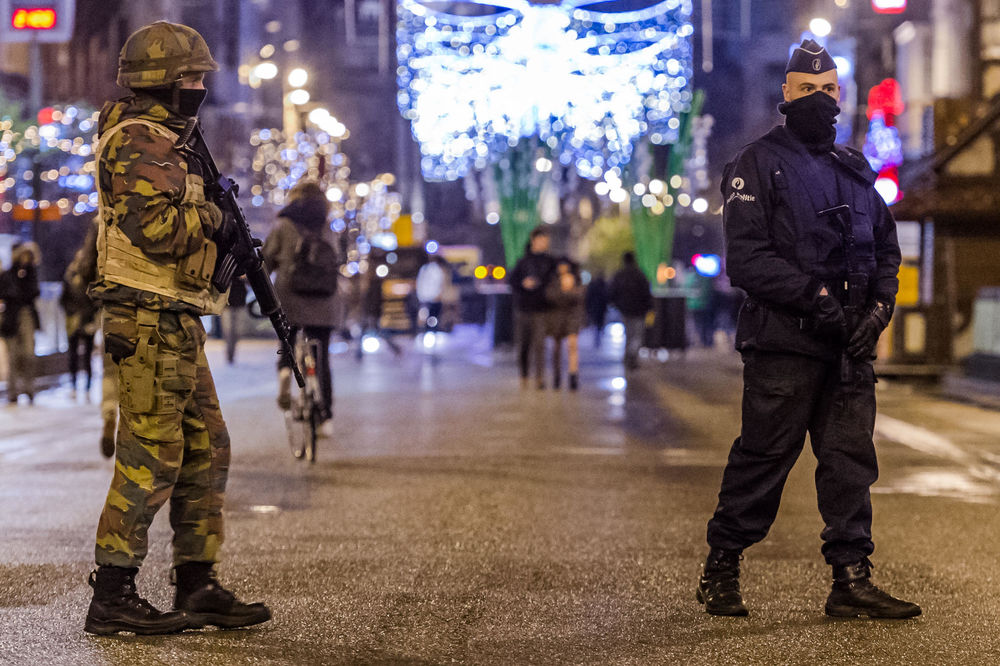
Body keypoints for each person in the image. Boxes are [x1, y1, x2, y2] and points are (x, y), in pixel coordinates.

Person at [697, 39, 919, 620]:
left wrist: (879, 310)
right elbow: (747, 260)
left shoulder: (854, 170)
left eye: (826, 90)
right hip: (784, 342)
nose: (818, 98)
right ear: (786, 94)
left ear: (840, 94)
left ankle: (851, 580)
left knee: (850, 463)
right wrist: (816, 299)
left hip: (849, 345)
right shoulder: (757, 164)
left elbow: (887, 251)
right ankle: (722, 568)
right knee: (764, 457)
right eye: (805, 90)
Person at [85, 21, 270, 635]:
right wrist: (216, 221)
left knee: (206, 447)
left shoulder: (170, 138)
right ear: (161, 80)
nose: (198, 87)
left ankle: (197, 582)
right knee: (151, 455)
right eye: (190, 77)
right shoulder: (137, 138)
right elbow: (156, 228)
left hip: (173, 317)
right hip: (146, 318)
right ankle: (113, 593)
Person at [263, 180, 340, 437]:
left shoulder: (284, 224)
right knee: (322, 358)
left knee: (287, 340)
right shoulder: (327, 225)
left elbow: (266, 259)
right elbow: (337, 258)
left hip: (290, 296)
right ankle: (325, 418)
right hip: (325, 300)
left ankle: (286, 370)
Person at [509, 227, 555, 389]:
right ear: (534, 240)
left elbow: (553, 281)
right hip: (523, 307)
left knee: (540, 344)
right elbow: (512, 281)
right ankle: (524, 375)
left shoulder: (550, 262)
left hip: (542, 308)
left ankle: (540, 377)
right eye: (541, 239)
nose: (544, 243)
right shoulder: (523, 261)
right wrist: (523, 284)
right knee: (524, 344)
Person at [61, 222, 102, 399]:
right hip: (73, 320)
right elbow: (63, 299)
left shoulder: (90, 279)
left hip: (87, 319)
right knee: (73, 354)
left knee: (87, 355)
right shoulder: (68, 277)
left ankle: (87, 386)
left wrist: (92, 316)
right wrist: (70, 312)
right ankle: (73, 385)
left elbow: (95, 299)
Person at [0, 242, 41, 405]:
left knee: (29, 354)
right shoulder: (8, 274)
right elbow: (5, 292)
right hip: (10, 319)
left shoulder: (31, 273)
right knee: (13, 356)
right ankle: (13, 391)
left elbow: (35, 292)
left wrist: (27, 273)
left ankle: (29, 388)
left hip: (27, 315)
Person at [545, 258, 584, 390]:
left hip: (571, 318)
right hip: (557, 318)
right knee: (556, 348)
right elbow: (550, 296)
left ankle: (573, 374)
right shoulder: (553, 281)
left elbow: (580, 297)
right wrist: (563, 290)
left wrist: (569, 290)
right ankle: (557, 375)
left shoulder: (576, 280)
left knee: (572, 346)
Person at [608, 251, 652, 370]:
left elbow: (612, 292)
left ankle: (628, 356)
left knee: (628, 334)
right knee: (637, 335)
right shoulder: (639, 274)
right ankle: (632, 355)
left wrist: (617, 305)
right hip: (639, 311)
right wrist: (649, 307)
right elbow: (646, 293)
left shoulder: (620, 275)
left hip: (625, 310)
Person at [219, 275, 247, 365]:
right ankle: (229, 354)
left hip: (240, 300)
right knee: (228, 330)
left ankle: (232, 352)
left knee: (238, 331)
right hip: (226, 302)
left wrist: (246, 277)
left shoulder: (243, 267)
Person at [584, 271, 608, 349]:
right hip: (601, 307)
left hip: (595, 307)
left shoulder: (593, 285)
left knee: (596, 322)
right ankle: (598, 336)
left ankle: (597, 337)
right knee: (599, 322)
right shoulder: (604, 285)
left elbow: (588, 296)